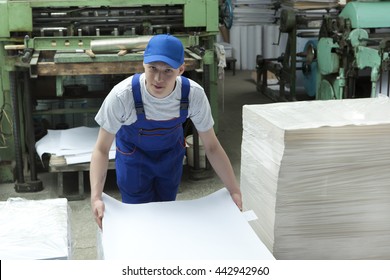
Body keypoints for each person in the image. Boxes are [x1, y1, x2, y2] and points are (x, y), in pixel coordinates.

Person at [90, 34, 242, 229]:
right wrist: (96, 197)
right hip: (134, 162)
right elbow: (101, 149)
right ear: (143, 64)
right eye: (152, 68)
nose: (158, 78)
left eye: (168, 71)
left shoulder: (192, 95)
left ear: (181, 70)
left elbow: (211, 147)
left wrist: (234, 190)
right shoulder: (122, 96)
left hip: (169, 161)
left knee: (166, 215)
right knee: (138, 221)